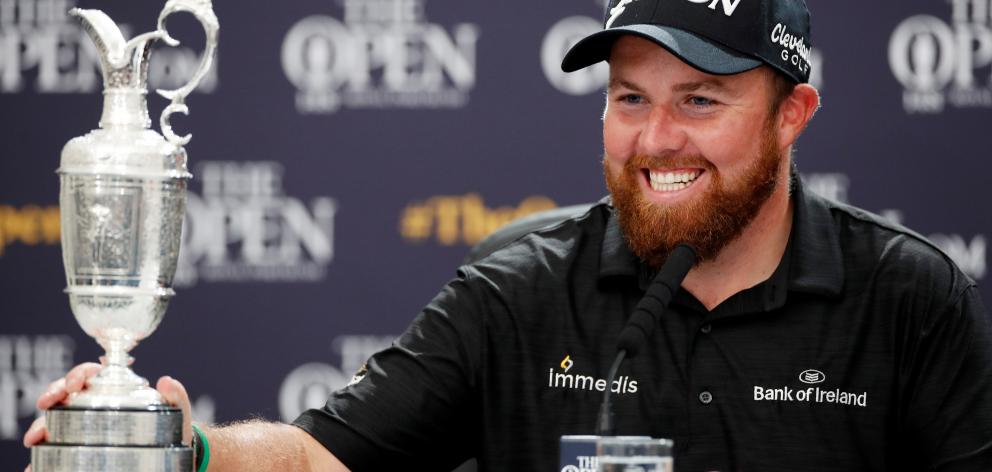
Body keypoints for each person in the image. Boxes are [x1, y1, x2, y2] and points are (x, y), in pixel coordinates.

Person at [24, 0, 992, 470]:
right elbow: (320, 460)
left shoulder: (907, 298)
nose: (655, 138)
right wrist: (180, 446)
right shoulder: (519, 285)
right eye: (627, 97)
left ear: (792, 116)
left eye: (699, 100)